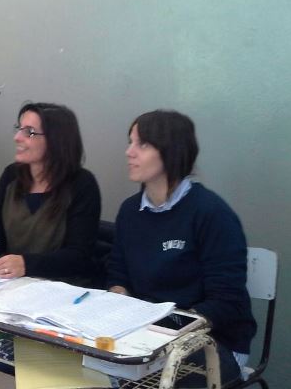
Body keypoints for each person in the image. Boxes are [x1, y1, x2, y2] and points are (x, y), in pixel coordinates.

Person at [107, 110, 256, 386]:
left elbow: (226, 301)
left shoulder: (211, 213)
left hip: (213, 341)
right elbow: (118, 273)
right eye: (130, 142)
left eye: (142, 144)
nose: (129, 152)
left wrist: (163, 330)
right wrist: (118, 297)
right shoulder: (130, 211)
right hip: (145, 339)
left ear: (171, 151)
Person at [0, 102, 101, 284]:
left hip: (62, 287)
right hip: (11, 283)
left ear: (55, 140)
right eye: (19, 129)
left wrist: (26, 264)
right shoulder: (11, 175)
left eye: (29, 132)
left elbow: (78, 256)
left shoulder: (82, 184)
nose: (17, 137)